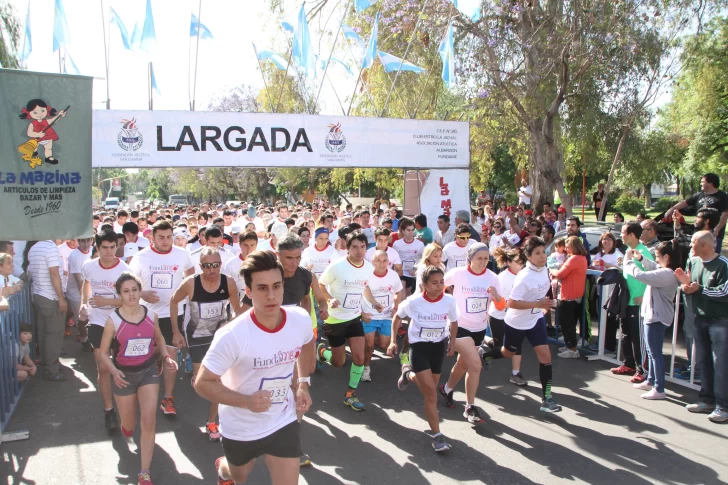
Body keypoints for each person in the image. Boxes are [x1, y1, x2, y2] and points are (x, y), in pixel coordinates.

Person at [194, 251, 314, 484]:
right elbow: (202, 383)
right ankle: (224, 469)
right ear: (248, 292)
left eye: (277, 286)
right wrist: (246, 402)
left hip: (282, 419)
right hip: (241, 426)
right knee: (237, 474)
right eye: (261, 288)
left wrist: (303, 384)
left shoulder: (298, 318)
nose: (271, 295)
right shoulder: (233, 335)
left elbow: (307, 341)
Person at [99, 272, 177, 485]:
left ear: (139, 291)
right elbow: (104, 353)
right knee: (129, 423)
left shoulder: (151, 315)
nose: (131, 295)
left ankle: (144, 472)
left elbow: (160, 339)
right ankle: (126, 427)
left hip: (148, 371)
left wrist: (167, 357)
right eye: (126, 291)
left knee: (149, 418)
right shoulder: (113, 320)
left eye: (134, 290)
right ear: (119, 294)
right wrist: (114, 372)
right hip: (124, 375)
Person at [169, 248, 242, 442]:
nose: (212, 270)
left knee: (218, 382)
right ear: (201, 267)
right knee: (201, 383)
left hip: (219, 336)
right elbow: (173, 301)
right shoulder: (191, 283)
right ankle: (191, 366)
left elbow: (237, 310)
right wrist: (176, 332)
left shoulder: (229, 283)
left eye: (216, 265)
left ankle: (212, 421)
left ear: (220, 264)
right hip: (196, 336)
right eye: (207, 266)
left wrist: (231, 322)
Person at [388, 266, 459, 452]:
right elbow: (397, 317)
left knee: (431, 389)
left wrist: (452, 341)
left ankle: (407, 373)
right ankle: (437, 436)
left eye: (441, 282)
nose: (439, 286)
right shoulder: (414, 302)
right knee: (431, 394)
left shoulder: (449, 301)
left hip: (438, 347)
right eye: (434, 283)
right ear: (424, 285)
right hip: (418, 347)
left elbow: (454, 321)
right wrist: (393, 341)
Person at [129, 220, 195, 417]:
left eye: (169, 237)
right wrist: (142, 294)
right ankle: (140, 389)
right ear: (152, 237)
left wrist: (184, 294)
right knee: (146, 355)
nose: (166, 241)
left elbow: (190, 274)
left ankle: (168, 398)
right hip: (146, 314)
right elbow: (129, 283)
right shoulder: (141, 257)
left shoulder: (182, 254)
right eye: (161, 238)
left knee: (171, 355)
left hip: (173, 314)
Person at [439, 243, 505, 423]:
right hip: (458, 326)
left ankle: (446, 389)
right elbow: (436, 286)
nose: (483, 262)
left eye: (486, 258)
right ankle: (470, 407)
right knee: (475, 365)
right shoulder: (458, 274)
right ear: (470, 259)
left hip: (479, 328)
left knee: (463, 364)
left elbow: (501, 306)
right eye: (479, 258)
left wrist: (497, 297)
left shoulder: (492, 278)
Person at [502, 237, 562, 413]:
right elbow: (511, 303)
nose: (542, 256)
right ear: (528, 256)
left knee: (546, 356)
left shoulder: (544, 269)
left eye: (543, 252)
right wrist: (537, 304)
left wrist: (546, 304)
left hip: (535, 320)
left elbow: (542, 293)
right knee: (507, 353)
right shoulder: (524, 276)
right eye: (537, 253)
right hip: (516, 322)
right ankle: (487, 353)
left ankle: (547, 398)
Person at [80, 230, 132, 431]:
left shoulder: (125, 270)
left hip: (120, 322)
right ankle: (109, 410)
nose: (110, 252)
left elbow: (129, 299)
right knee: (102, 367)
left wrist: (106, 301)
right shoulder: (89, 266)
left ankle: (126, 408)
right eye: (105, 248)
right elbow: (87, 283)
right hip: (97, 322)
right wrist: (83, 304)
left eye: (113, 247)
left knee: (122, 368)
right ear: (97, 247)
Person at [317, 231, 373, 411]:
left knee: (359, 357)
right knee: (338, 362)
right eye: (355, 247)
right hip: (335, 320)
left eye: (363, 247)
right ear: (347, 249)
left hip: (354, 317)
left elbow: (362, 288)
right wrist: (329, 299)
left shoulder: (368, 267)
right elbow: (320, 284)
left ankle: (350, 395)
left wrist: (370, 305)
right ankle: (322, 352)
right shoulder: (337, 266)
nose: (359, 251)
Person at [675, 231, 728, 423]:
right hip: (700, 318)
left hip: (721, 321)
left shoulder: (723, 264)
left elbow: (724, 292)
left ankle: (723, 406)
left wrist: (699, 289)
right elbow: (690, 283)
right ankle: (707, 399)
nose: (690, 246)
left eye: (693, 243)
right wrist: (685, 286)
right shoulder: (693, 261)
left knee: (720, 365)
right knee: (703, 361)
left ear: (705, 245)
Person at [624, 241, 681, 400]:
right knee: (651, 351)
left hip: (657, 317)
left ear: (667, 257)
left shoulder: (666, 274)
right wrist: (641, 258)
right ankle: (651, 380)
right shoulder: (665, 270)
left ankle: (659, 388)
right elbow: (652, 266)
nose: (655, 259)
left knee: (655, 354)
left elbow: (641, 275)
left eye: (657, 256)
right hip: (653, 315)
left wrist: (629, 262)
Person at [611, 222, 654, 383]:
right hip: (626, 301)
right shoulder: (628, 251)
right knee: (626, 334)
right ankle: (628, 364)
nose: (621, 235)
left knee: (638, 338)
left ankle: (641, 370)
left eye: (623, 232)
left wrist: (645, 295)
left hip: (638, 303)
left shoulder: (644, 252)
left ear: (632, 235)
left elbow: (653, 275)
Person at [479, 247, 528, 386]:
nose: (521, 264)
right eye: (517, 261)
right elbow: (496, 300)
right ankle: (485, 352)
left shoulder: (524, 274)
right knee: (502, 348)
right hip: (498, 316)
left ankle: (515, 374)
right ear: (508, 262)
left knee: (515, 347)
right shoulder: (501, 278)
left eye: (522, 261)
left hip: (515, 317)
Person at [27, 239, 67, 382]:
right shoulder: (50, 248)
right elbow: (54, 273)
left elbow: (30, 272)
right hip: (50, 297)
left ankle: (46, 363)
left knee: (43, 331)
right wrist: (61, 298)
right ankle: (51, 369)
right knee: (53, 334)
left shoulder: (34, 248)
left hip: (39, 295)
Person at [361, 250, 404, 382]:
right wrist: (362, 314)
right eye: (378, 261)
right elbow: (357, 294)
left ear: (388, 262)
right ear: (373, 262)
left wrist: (396, 307)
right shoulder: (366, 275)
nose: (381, 264)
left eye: (384, 261)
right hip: (370, 315)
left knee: (384, 344)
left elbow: (398, 292)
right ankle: (366, 368)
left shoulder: (393, 275)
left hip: (386, 316)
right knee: (369, 346)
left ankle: (369, 343)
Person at [666, 173, 728, 252]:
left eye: (702, 182)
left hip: (715, 233)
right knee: (695, 252)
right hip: (698, 231)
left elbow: (725, 214)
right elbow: (684, 203)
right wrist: (671, 209)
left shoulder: (722, 196)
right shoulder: (699, 195)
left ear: (710, 183)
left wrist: (717, 229)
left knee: (711, 254)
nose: (700, 184)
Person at [550, 236, 588, 359]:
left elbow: (561, 273)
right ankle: (569, 345)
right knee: (569, 323)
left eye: (567, 245)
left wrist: (552, 270)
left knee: (567, 324)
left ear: (574, 246)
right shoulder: (581, 258)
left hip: (569, 296)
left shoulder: (574, 259)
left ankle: (572, 349)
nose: (565, 248)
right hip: (574, 295)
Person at [392, 218, 425, 295]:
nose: (411, 232)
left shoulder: (420, 244)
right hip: (401, 273)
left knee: (409, 295)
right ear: (403, 231)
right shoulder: (397, 244)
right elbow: (393, 259)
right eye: (408, 230)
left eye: (413, 230)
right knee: (402, 294)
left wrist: (416, 270)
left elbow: (424, 259)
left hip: (414, 274)